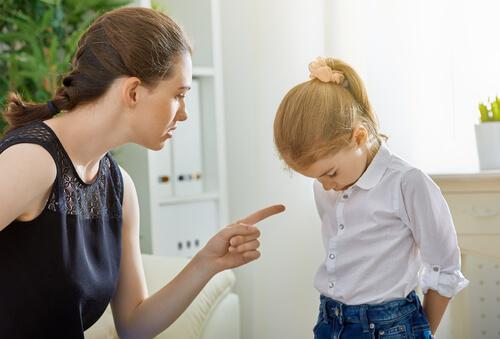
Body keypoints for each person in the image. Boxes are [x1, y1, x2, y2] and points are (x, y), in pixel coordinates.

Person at [0, 7, 285, 338]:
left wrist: (206, 262)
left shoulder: (120, 188)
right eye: (179, 95)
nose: (185, 114)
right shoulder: (33, 161)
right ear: (133, 92)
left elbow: (134, 326)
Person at [273, 57, 468, 339]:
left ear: (359, 137)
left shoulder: (407, 183)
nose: (326, 186)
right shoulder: (328, 188)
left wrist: (421, 332)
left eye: (330, 173)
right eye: (317, 178)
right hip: (330, 320)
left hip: (390, 326)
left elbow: (445, 267)